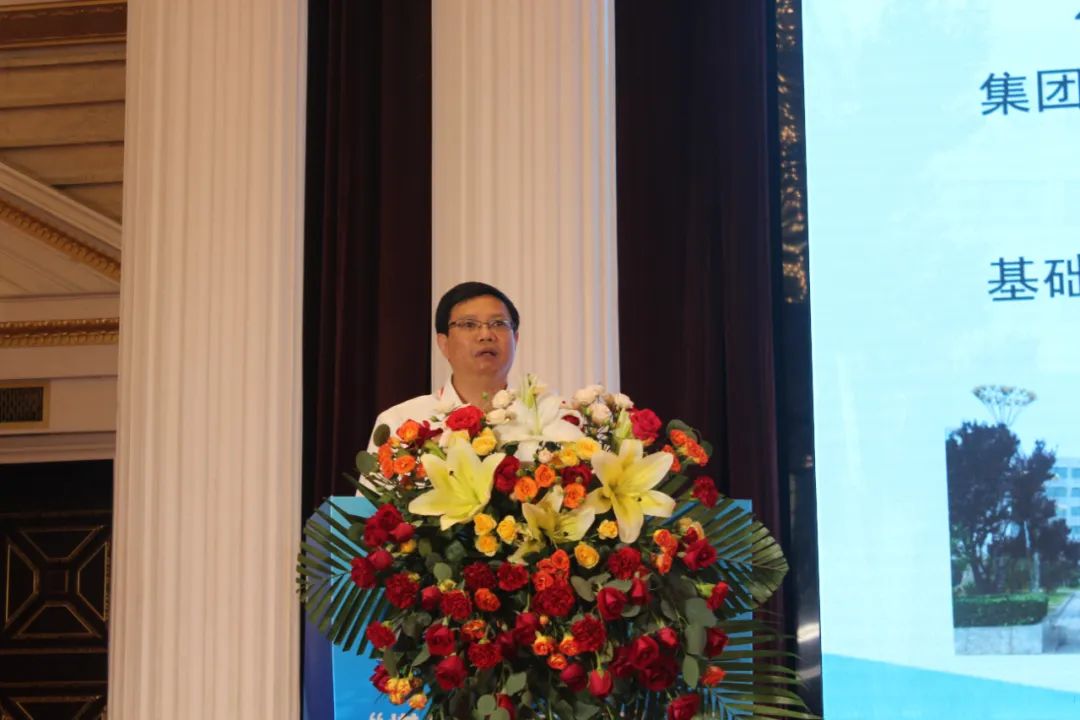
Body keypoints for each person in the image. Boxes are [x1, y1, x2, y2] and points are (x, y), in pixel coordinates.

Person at [365, 281, 520, 452]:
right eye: (469, 324)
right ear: (443, 343)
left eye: (498, 324)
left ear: (516, 339)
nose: (485, 335)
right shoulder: (400, 423)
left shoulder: (540, 420)